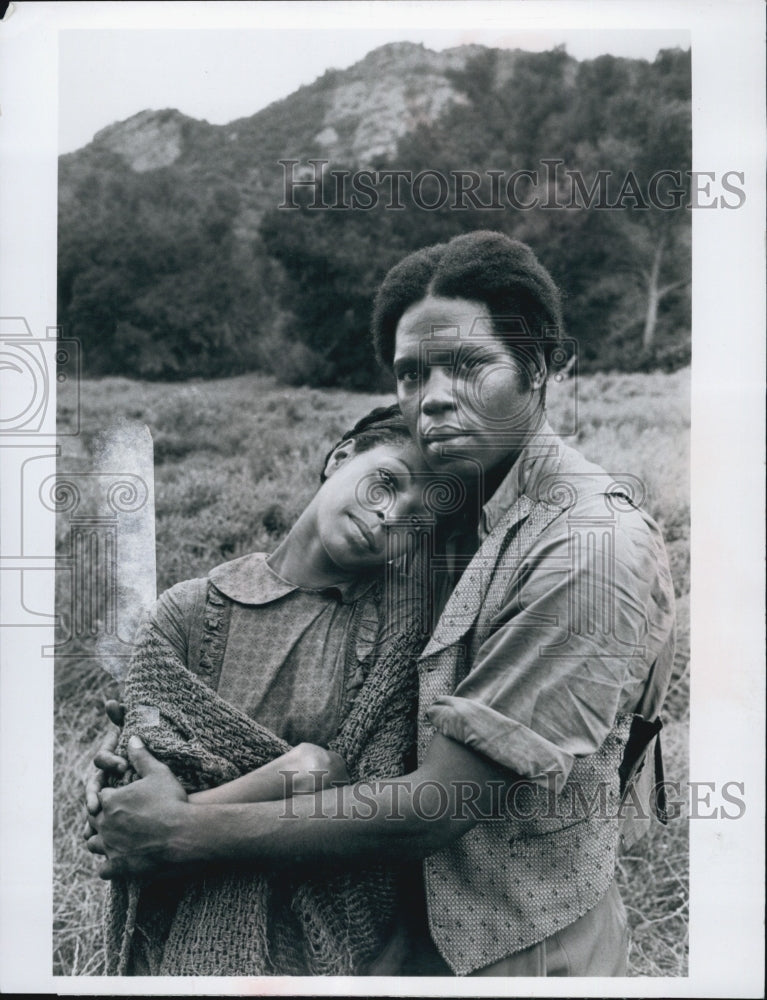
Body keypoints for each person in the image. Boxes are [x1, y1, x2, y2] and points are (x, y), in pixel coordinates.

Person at [88, 231, 676, 978]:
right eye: (409, 373)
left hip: (525, 953)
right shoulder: (457, 516)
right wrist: (135, 757)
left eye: (467, 365)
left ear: (536, 367)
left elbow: (436, 804)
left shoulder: (587, 546)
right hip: (403, 939)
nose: (431, 396)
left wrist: (179, 834)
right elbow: (299, 668)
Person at [86, 405, 437, 976]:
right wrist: (301, 770)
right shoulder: (189, 609)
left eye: (417, 520)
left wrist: (169, 826)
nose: (389, 516)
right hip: (181, 918)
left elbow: (374, 806)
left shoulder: (397, 639)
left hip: (326, 938)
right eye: (387, 482)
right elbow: (139, 769)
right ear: (340, 458)